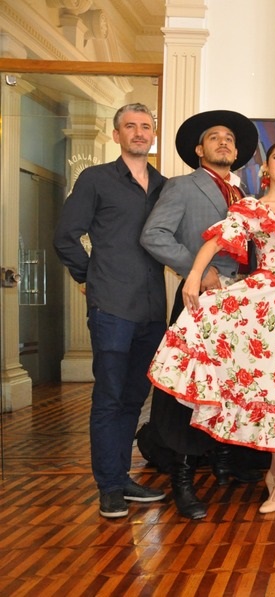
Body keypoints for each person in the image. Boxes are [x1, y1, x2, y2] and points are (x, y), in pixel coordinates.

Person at [148, 141, 275, 514]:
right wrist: (193, 277)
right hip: (268, 309)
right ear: (267, 169)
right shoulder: (253, 208)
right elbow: (215, 241)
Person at [141, 109, 262, 520]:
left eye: (229, 137)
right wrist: (198, 267)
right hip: (200, 298)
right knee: (184, 392)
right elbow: (153, 234)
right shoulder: (183, 186)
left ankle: (223, 459)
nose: (224, 142)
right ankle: (183, 478)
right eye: (214, 137)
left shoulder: (248, 198)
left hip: (242, 305)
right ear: (199, 149)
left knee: (229, 384)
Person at [53, 103, 167, 518]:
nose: (139, 132)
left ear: (153, 134)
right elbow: (66, 236)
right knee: (109, 398)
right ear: (116, 134)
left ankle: (124, 477)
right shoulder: (96, 179)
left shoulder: (164, 185)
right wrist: (90, 278)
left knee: (135, 399)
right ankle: (109, 488)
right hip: (112, 308)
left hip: (153, 309)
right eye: (130, 126)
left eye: (145, 126)